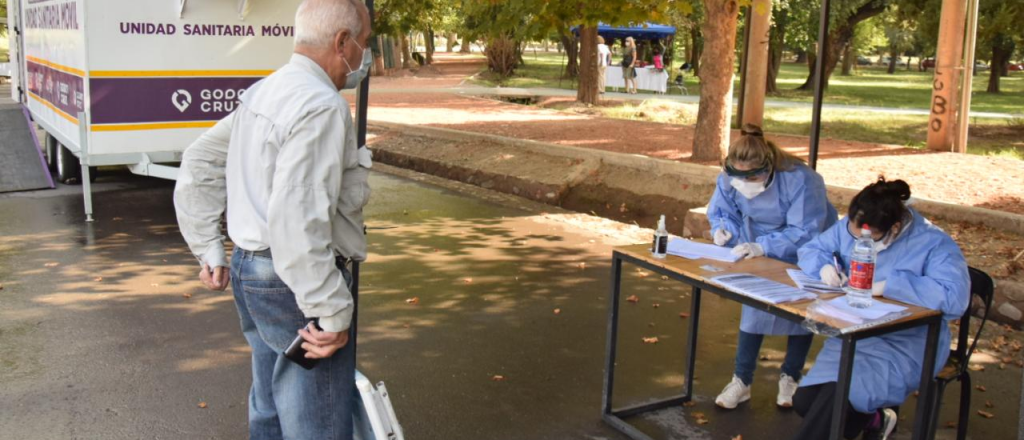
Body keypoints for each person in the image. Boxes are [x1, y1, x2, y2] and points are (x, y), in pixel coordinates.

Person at [172, 0, 373, 438]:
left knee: (270, 408)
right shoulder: (322, 106)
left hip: (251, 272)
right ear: (342, 42)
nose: (364, 57)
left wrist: (210, 247)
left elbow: (199, 159)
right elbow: (297, 221)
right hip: (292, 285)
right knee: (314, 421)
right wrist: (331, 311)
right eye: (364, 44)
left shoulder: (267, 90)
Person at [792, 177, 970, 440]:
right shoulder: (853, 225)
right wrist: (824, 267)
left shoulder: (933, 242)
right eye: (854, 234)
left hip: (909, 342)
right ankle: (878, 419)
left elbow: (955, 297)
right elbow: (813, 248)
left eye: (869, 237)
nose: (858, 240)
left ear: (895, 228)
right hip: (856, 333)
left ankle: (867, 418)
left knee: (835, 401)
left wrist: (890, 285)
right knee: (805, 401)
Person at [707, 124, 838, 410]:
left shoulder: (802, 180)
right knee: (754, 309)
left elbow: (806, 229)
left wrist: (765, 246)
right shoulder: (730, 176)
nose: (744, 184)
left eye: (751, 178)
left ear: (767, 169)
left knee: (800, 313)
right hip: (755, 245)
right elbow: (723, 210)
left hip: (803, 248)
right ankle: (741, 380)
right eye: (738, 178)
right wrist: (722, 229)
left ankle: (791, 376)